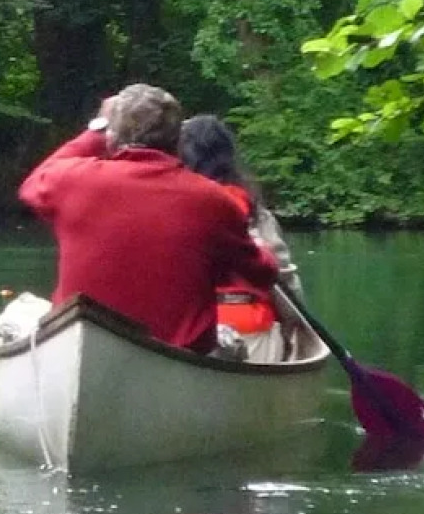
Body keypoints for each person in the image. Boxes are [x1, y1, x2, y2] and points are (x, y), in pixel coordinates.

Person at [18, 84, 280, 356]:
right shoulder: (214, 201)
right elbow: (262, 274)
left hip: (86, 347)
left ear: (110, 137)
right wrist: (265, 252)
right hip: (180, 357)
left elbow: (30, 187)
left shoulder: (69, 180)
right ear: (178, 141)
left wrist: (95, 130)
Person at [177, 114, 299, 363]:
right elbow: (285, 281)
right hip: (252, 330)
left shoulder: (173, 209)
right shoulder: (255, 215)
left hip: (188, 336)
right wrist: (293, 330)